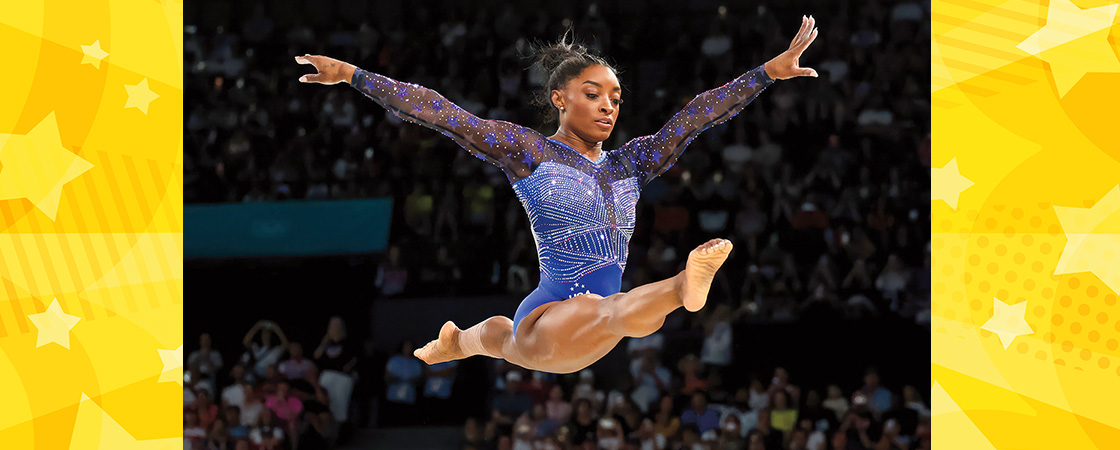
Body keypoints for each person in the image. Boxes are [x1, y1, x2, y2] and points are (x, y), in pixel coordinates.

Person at [296, 16, 820, 373]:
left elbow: (692, 119)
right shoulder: (530, 152)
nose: (608, 106)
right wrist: (353, 76)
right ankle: (685, 286)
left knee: (510, 334)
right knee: (606, 314)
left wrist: (766, 74)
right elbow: (444, 115)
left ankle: (458, 342)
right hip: (550, 319)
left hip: (589, 326)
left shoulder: (630, 164)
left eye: (616, 97)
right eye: (593, 94)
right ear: (559, 99)